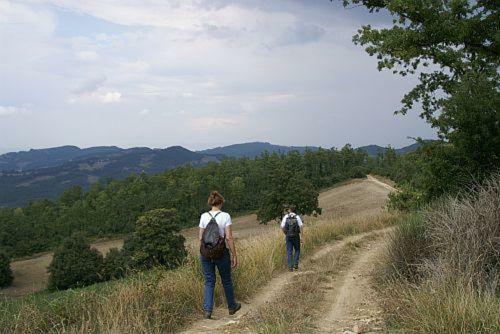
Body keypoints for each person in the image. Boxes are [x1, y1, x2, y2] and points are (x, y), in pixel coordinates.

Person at [199, 191, 241, 319]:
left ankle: (207, 310)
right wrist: (234, 255)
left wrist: (204, 252)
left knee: (209, 281)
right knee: (226, 280)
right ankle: (232, 307)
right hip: (221, 253)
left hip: (206, 254)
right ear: (221, 202)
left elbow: (200, 237)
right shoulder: (225, 216)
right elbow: (228, 237)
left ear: (211, 203)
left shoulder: (203, 216)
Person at [281, 205, 303, 271]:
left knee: (289, 251)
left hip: (288, 236)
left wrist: (286, 233)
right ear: (294, 210)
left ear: (289, 210)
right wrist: (302, 237)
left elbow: (282, 227)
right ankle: (296, 265)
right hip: (296, 236)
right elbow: (301, 227)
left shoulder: (286, 217)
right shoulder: (297, 217)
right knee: (297, 250)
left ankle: (290, 267)